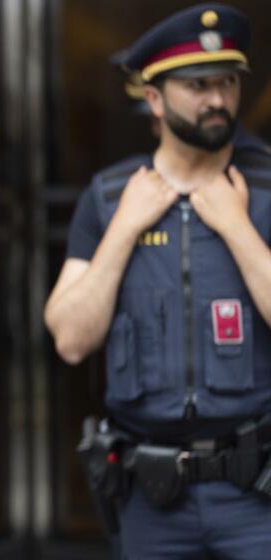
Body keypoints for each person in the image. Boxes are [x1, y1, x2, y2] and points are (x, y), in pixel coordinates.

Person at [45, 4, 271, 559]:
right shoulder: (109, 198)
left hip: (256, 494)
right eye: (197, 85)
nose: (217, 99)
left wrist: (238, 227)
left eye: (226, 82)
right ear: (153, 98)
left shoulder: (265, 188)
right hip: (152, 499)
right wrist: (125, 227)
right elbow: (71, 339)